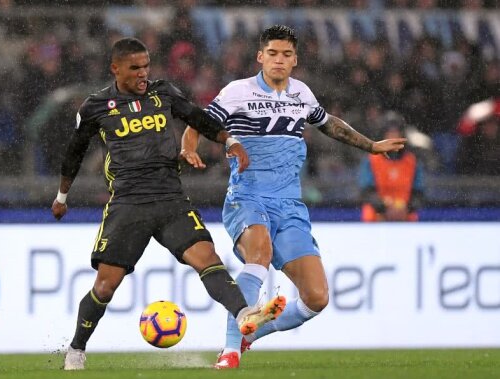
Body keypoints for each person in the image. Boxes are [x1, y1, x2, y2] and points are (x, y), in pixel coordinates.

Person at [51, 37, 286, 371]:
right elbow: (74, 153)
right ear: (115, 69)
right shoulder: (95, 106)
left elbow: (197, 118)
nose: (143, 73)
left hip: (170, 198)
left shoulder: (163, 93)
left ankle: (245, 313)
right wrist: (62, 196)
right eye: (135, 68)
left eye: (146, 66)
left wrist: (230, 140)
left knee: (207, 258)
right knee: (105, 287)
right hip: (128, 204)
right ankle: (76, 349)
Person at [181, 25, 406, 369]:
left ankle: (249, 335)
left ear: (295, 60)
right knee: (259, 254)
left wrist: (372, 146)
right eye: (272, 53)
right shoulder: (237, 92)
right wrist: (188, 147)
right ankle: (229, 350)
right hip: (249, 196)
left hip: (290, 204)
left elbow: (329, 124)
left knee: (316, 298)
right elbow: (198, 121)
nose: (279, 60)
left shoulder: (301, 93)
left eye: (286, 55)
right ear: (260, 57)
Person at [359, 111, 426, 222]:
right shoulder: (371, 160)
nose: (393, 137)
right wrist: (384, 208)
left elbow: (419, 193)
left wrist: (407, 208)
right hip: (378, 214)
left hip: (405, 214)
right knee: (368, 212)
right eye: (389, 133)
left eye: (396, 133)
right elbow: (366, 191)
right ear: (383, 135)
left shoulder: (412, 161)